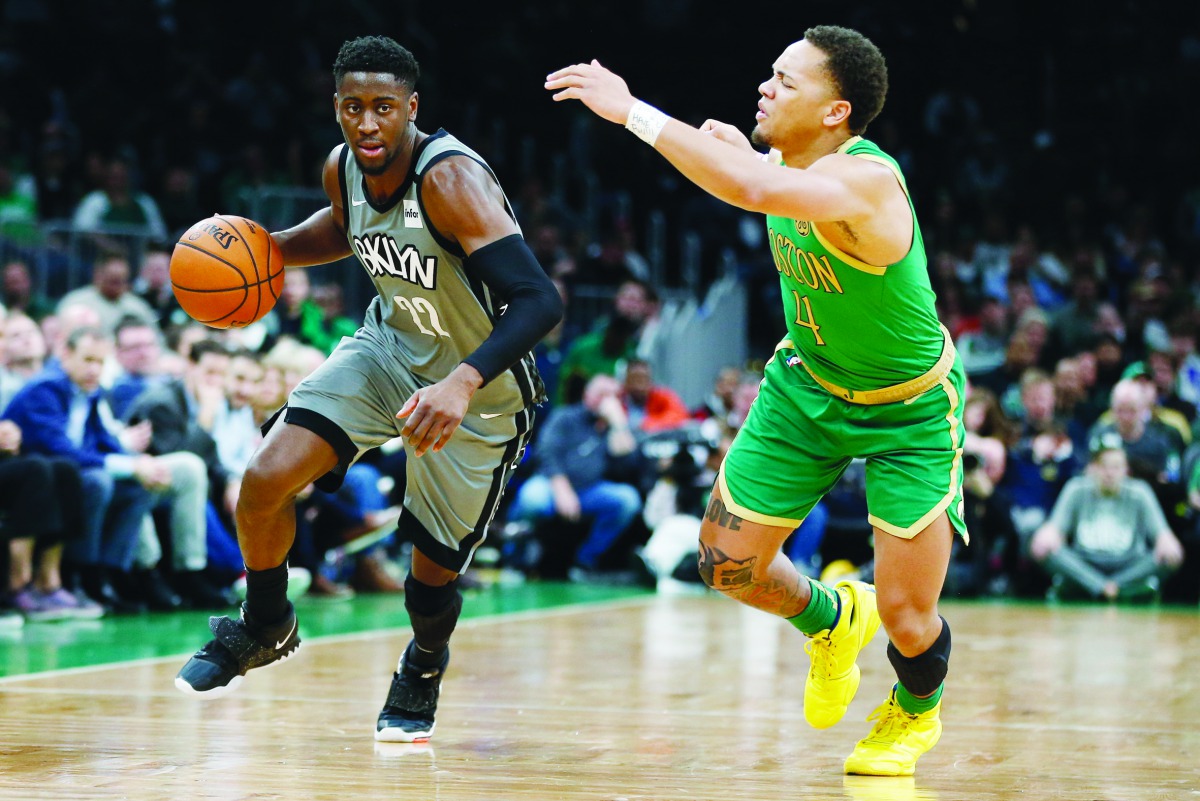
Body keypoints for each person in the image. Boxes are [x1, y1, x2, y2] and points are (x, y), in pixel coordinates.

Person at [548, 25, 958, 776]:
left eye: (788, 82)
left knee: (906, 613)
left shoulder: (865, 183)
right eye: (771, 72)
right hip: (805, 385)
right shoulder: (786, 161)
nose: (767, 86)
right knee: (725, 563)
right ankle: (832, 617)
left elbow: (755, 190)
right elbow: (757, 175)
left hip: (908, 409)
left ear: (837, 113)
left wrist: (632, 110)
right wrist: (741, 151)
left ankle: (912, 714)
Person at [175, 36, 563, 747]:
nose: (368, 123)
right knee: (263, 478)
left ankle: (423, 661)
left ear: (412, 108)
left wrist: (462, 381)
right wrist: (267, 249)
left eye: (384, 107)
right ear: (337, 109)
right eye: (353, 108)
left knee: (430, 576)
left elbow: (539, 299)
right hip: (387, 351)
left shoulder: (450, 182)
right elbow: (346, 227)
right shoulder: (342, 169)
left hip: (477, 387)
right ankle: (265, 623)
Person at [1030, 445, 1184, 601]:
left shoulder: (1140, 492)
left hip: (1129, 563)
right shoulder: (1076, 488)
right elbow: (1055, 527)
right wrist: (1048, 535)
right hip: (1085, 562)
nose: (1109, 473)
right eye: (1104, 467)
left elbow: (1162, 533)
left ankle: (1095, 588)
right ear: (1092, 468)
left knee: (1170, 557)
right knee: (1044, 548)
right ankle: (1116, 589)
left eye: (1116, 467)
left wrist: (1167, 542)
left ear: (1126, 471)